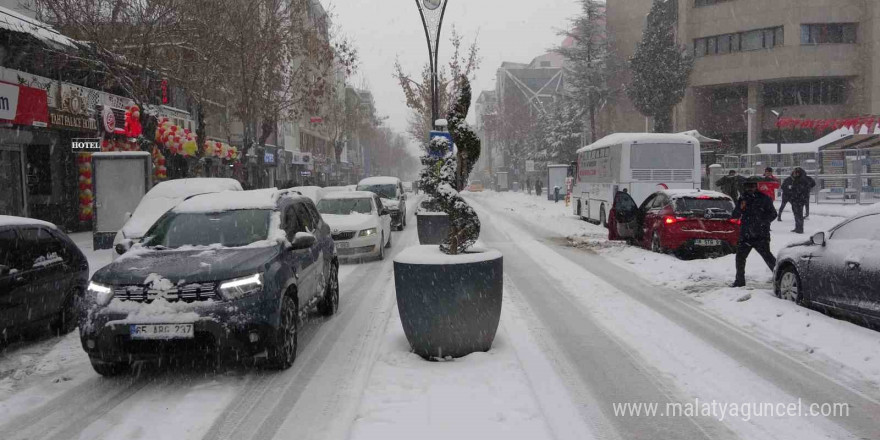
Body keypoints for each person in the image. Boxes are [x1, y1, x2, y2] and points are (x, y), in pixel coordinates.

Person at [731, 178, 778, 287]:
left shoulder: (764, 198)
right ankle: (739, 281)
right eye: (748, 187)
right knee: (740, 258)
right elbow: (735, 215)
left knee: (768, 257)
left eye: (752, 187)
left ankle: (780, 277)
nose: (750, 189)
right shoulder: (743, 198)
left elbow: (773, 214)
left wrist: (762, 222)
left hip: (760, 235)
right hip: (746, 235)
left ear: (756, 187)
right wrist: (740, 208)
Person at [783, 167, 815, 234]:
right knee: (796, 214)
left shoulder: (802, 179)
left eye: (796, 172)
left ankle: (800, 228)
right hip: (795, 198)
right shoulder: (797, 179)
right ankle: (797, 227)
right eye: (795, 172)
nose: (795, 173)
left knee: (799, 214)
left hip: (799, 199)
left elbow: (801, 188)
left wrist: (793, 188)